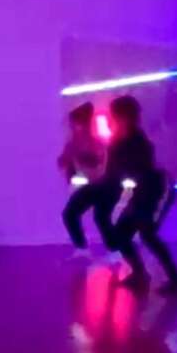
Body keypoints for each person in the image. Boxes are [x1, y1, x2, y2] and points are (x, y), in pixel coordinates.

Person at [96, 95, 177, 295]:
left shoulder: (137, 141)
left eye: (115, 116)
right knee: (122, 234)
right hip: (142, 193)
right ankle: (139, 274)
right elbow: (113, 174)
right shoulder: (120, 141)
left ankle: (176, 281)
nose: (112, 119)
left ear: (125, 116)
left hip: (158, 190)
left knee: (147, 234)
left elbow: (134, 171)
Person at [58, 102, 115, 262]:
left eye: (74, 123)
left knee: (100, 217)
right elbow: (63, 162)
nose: (71, 127)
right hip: (94, 185)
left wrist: (76, 156)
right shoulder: (75, 143)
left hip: (103, 184)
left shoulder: (94, 142)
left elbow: (98, 167)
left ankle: (114, 250)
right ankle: (83, 248)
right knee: (72, 214)